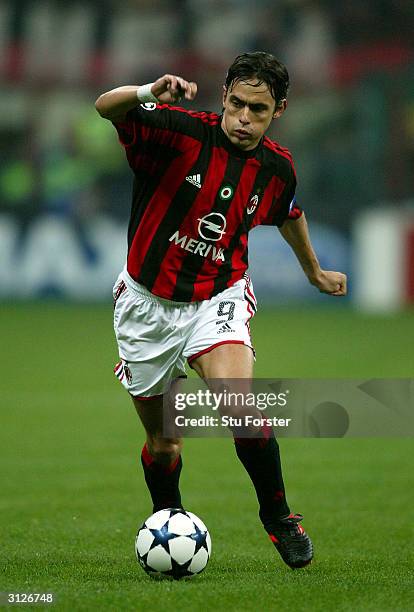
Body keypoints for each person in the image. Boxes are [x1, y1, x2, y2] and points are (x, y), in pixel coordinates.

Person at [95, 52, 347, 570]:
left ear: (278, 109)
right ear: (224, 94)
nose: (243, 118)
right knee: (164, 443)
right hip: (146, 306)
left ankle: (278, 518)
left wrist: (314, 272)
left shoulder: (277, 167)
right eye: (236, 103)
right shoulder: (179, 132)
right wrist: (146, 92)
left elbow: (289, 213)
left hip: (218, 296)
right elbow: (105, 106)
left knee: (240, 406)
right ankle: (170, 520)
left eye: (258, 109)